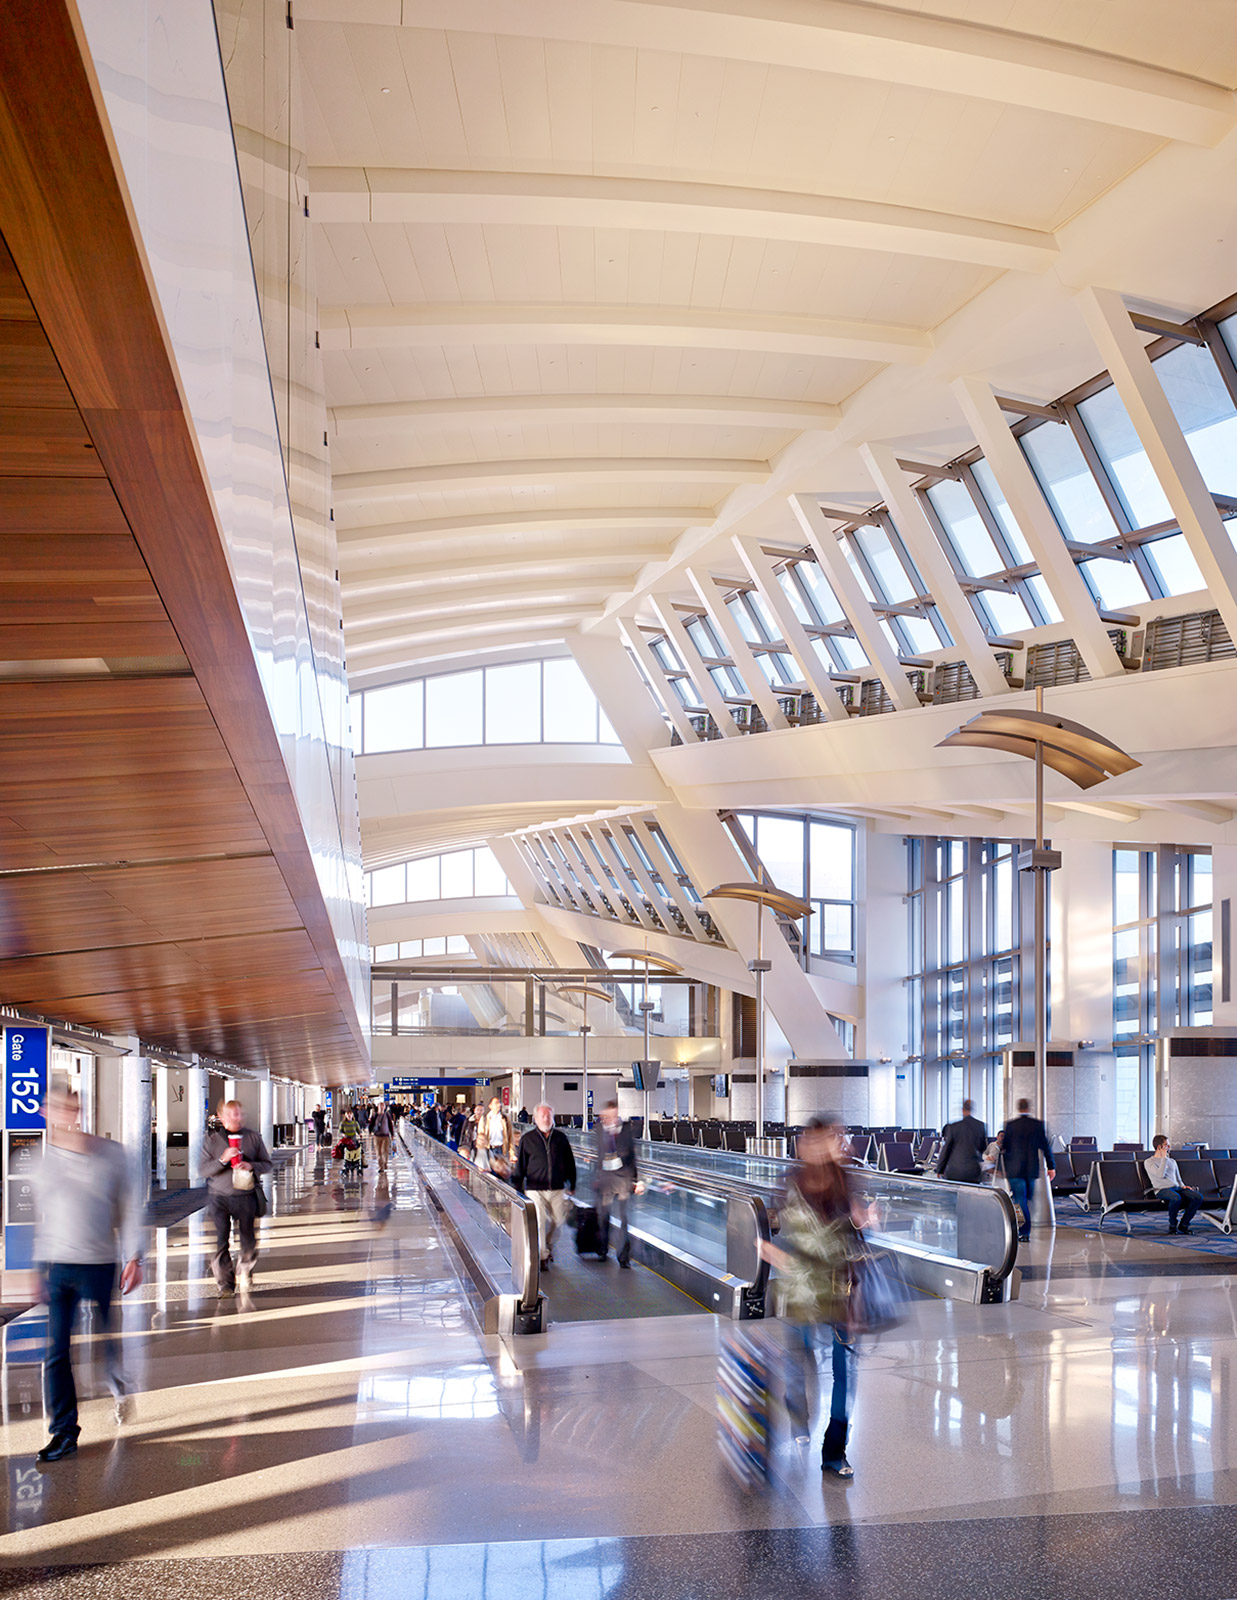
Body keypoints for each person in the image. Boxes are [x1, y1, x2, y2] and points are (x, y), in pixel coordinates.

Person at [32, 1089, 145, 1462]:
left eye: (69, 1106)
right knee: (56, 1351)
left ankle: (116, 1382)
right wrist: (35, 1268)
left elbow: (128, 1206)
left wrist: (134, 1257)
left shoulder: (111, 1154)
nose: (63, 1113)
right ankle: (64, 1431)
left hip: (99, 1263)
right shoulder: (39, 1160)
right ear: (46, 1111)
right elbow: (39, 1218)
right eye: (55, 1107)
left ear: (78, 1109)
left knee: (104, 1341)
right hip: (58, 1265)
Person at [759, 1115, 865, 1479]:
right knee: (799, 1361)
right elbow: (780, 1227)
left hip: (840, 1289)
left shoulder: (846, 1181)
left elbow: (855, 1231)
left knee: (845, 1373)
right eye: (813, 1142)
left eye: (828, 1141)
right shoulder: (791, 1183)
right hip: (802, 1290)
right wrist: (772, 1249)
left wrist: (865, 1220)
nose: (820, 1149)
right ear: (803, 1146)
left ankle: (835, 1452)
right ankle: (798, 1414)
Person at [200, 1099, 273, 1295]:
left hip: (245, 1195)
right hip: (219, 1197)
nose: (237, 1117)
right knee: (219, 1240)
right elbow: (203, 1170)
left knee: (248, 1238)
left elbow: (267, 1163)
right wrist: (223, 1159)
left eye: (239, 1113)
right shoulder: (213, 1140)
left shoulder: (253, 1138)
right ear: (222, 1118)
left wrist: (252, 1166)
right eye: (232, 1114)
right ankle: (225, 1283)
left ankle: (246, 1267)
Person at [512, 1103, 577, 1269]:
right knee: (539, 1222)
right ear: (535, 1119)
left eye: (549, 1116)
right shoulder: (528, 1139)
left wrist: (572, 1182)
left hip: (557, 1187)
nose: (546, 1119)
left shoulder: (561, 1138)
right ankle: (542, 1256)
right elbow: (521, 1165)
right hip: (535, 1189)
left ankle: (547, 1246)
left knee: (558, 1222)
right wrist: (517, 1187)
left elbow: (569, 1161)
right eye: (543, 1116)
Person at [594, 1101, 642, 1268]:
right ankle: (602, 1249)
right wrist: (597, 1175)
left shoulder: (626, 1129)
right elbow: (598, 1153)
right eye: (608, 1116)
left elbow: (633, 1155)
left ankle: (623, 1257)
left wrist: (635, 1180)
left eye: (613, 1116)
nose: (611, 1119)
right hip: (606, 1179)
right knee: (603, 1215)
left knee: (624, 1218)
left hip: (623, 1178)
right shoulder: (600, 1130)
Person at [1001, 1098, 1055, 1244]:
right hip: (1031, 1169)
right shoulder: (1037, 1125)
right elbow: (1045, 1147)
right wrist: (1051, 1166)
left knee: (1020, 1200)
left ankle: (1023, 1229)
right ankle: (1024, 1231)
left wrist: (1002, 1168)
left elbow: (1004, 1147)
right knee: (1026, 1198)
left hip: (1014, 1169)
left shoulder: (1010, 1125)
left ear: (1018, 1108)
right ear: (1028, 1108)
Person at [1145, 1134, 1203, 1234]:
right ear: (1159, 1147)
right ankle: (1172, 1225)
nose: (1169, 1147)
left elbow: (1178, 1178)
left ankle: (1184, 1224)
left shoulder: (1172, 1161)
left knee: (1197, 1197)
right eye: (1166, 1145)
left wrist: (1183, 1186)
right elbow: (1160, 1175)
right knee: (1176, 1198)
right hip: (1162, 1189)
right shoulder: (1149, 1162)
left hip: (1176, 1188)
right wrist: (1164, 1158)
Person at [936, 1099, 988, 1184]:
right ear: (972, 1110)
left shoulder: (953, 1127)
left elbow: (946, 1150)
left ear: (962, 1110)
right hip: (973, 1171)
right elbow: (982, 1148)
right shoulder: (980, 1126)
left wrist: (940, 1169)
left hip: (955, 1170)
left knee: (953, 1196)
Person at [475, 1095, 513, 1173]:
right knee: (490, 1173)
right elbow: (481, 1135)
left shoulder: (504, 1118)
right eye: (495, 1103)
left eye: (499, 1103)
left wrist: (512, 1152)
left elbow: (510, 1136)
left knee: (503, 1172)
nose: (498, 1105)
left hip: (502, 1149)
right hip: (489, 1149)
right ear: (490, 1106)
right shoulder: (485, 1118)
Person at [372, 1101, 395, 1173]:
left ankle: (385, 1163)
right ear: (378, 1107)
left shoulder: (387, 1115)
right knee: (378, 1152)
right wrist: (370, 1132)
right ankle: (380, 1166)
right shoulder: (375, 1115)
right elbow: (371, 1124)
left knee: (385, 1151)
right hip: (377, 1136)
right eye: (380, 1106)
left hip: (386, 1136)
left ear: (384, 1107)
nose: (381, 1107)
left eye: (382, 1106)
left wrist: (392, 1134)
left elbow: (390, 1125)